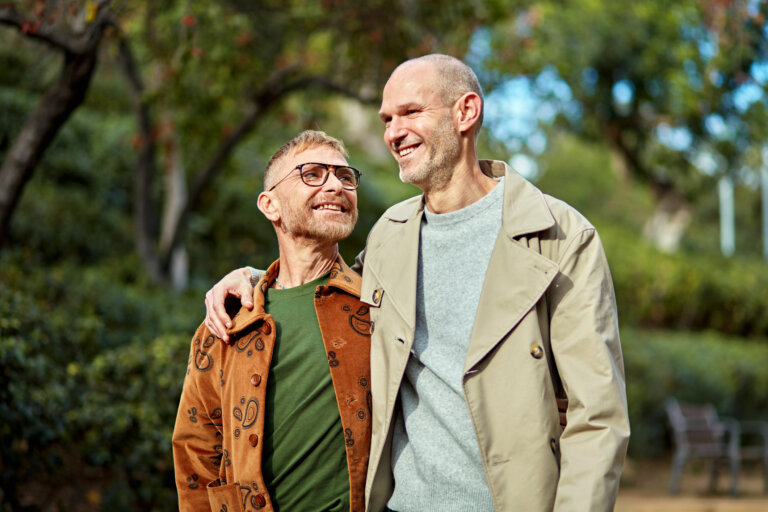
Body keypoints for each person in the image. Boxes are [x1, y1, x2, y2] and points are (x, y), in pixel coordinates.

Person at [204, 54, 630, 511]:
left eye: (410, 113)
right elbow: (323, 280)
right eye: (387, 119)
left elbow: (598, 418)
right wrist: (253, 277)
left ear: (465, 112)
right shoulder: (391, 234)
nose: (393, 132)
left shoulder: (561, 236)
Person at [173, 130, 372, 512]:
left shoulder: (376, 305)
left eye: (346, 177)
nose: (335, 185)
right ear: (270, 205)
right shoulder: (226, 322)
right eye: (312, 174)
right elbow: (196, 450)